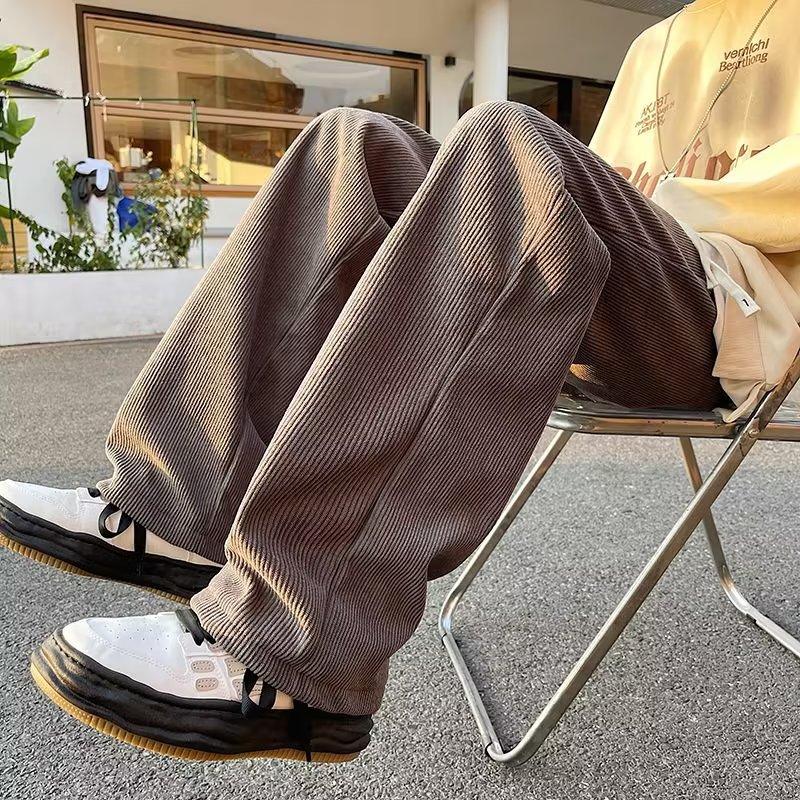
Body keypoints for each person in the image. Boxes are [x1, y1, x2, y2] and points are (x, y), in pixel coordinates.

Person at [2, 0, 799, 763]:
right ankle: (177, 503)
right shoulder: (658, 41)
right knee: (352, 143)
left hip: (734, 308)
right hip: (616, 288)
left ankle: (295, 645)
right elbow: (620, 180)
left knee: (511, 145)